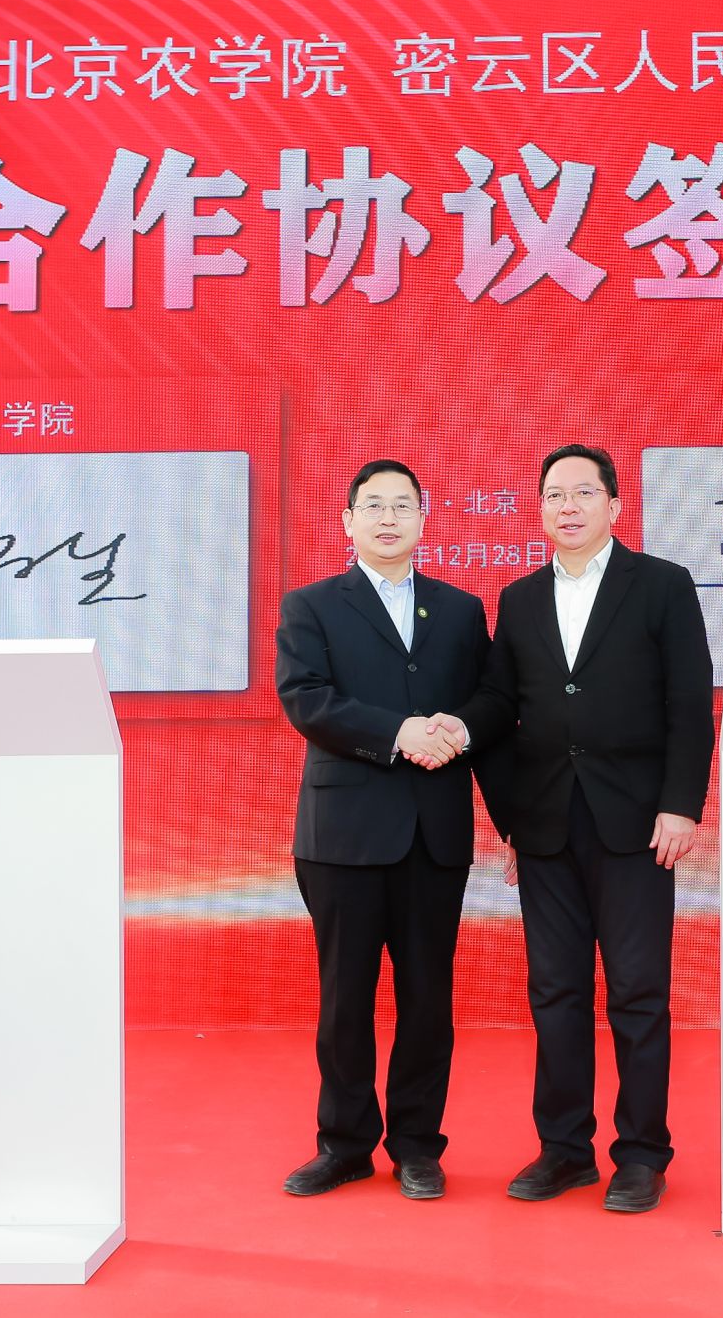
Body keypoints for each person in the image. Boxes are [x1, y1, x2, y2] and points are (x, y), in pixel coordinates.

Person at [437, 443, 714, 1214]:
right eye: (554, 494)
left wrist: (681, 804)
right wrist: (461, 732)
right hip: (546, 826)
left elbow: (689, 701)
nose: (568, 505)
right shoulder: (520, 597)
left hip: (638, 823)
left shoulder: (661, 585)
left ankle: (642, 1154)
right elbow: (501, 704)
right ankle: (564, 1149)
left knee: (637, 991)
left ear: (614, 505)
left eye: (583, 492)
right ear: (539, 508)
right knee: (555, 991)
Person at [274, 459, 498, 1201]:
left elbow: (491, 700)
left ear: (424, 519)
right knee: (346, 997)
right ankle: (342, 1145)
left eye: (403, 505)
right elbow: (306, 698)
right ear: (348, 521)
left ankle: (417, 1146)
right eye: (373, 505)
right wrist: (399, 732)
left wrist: (457, 730)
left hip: (435, 832)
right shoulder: (312, 605)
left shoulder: (460, 610)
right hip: (343, 834)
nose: (389, 517)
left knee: (428, 998)